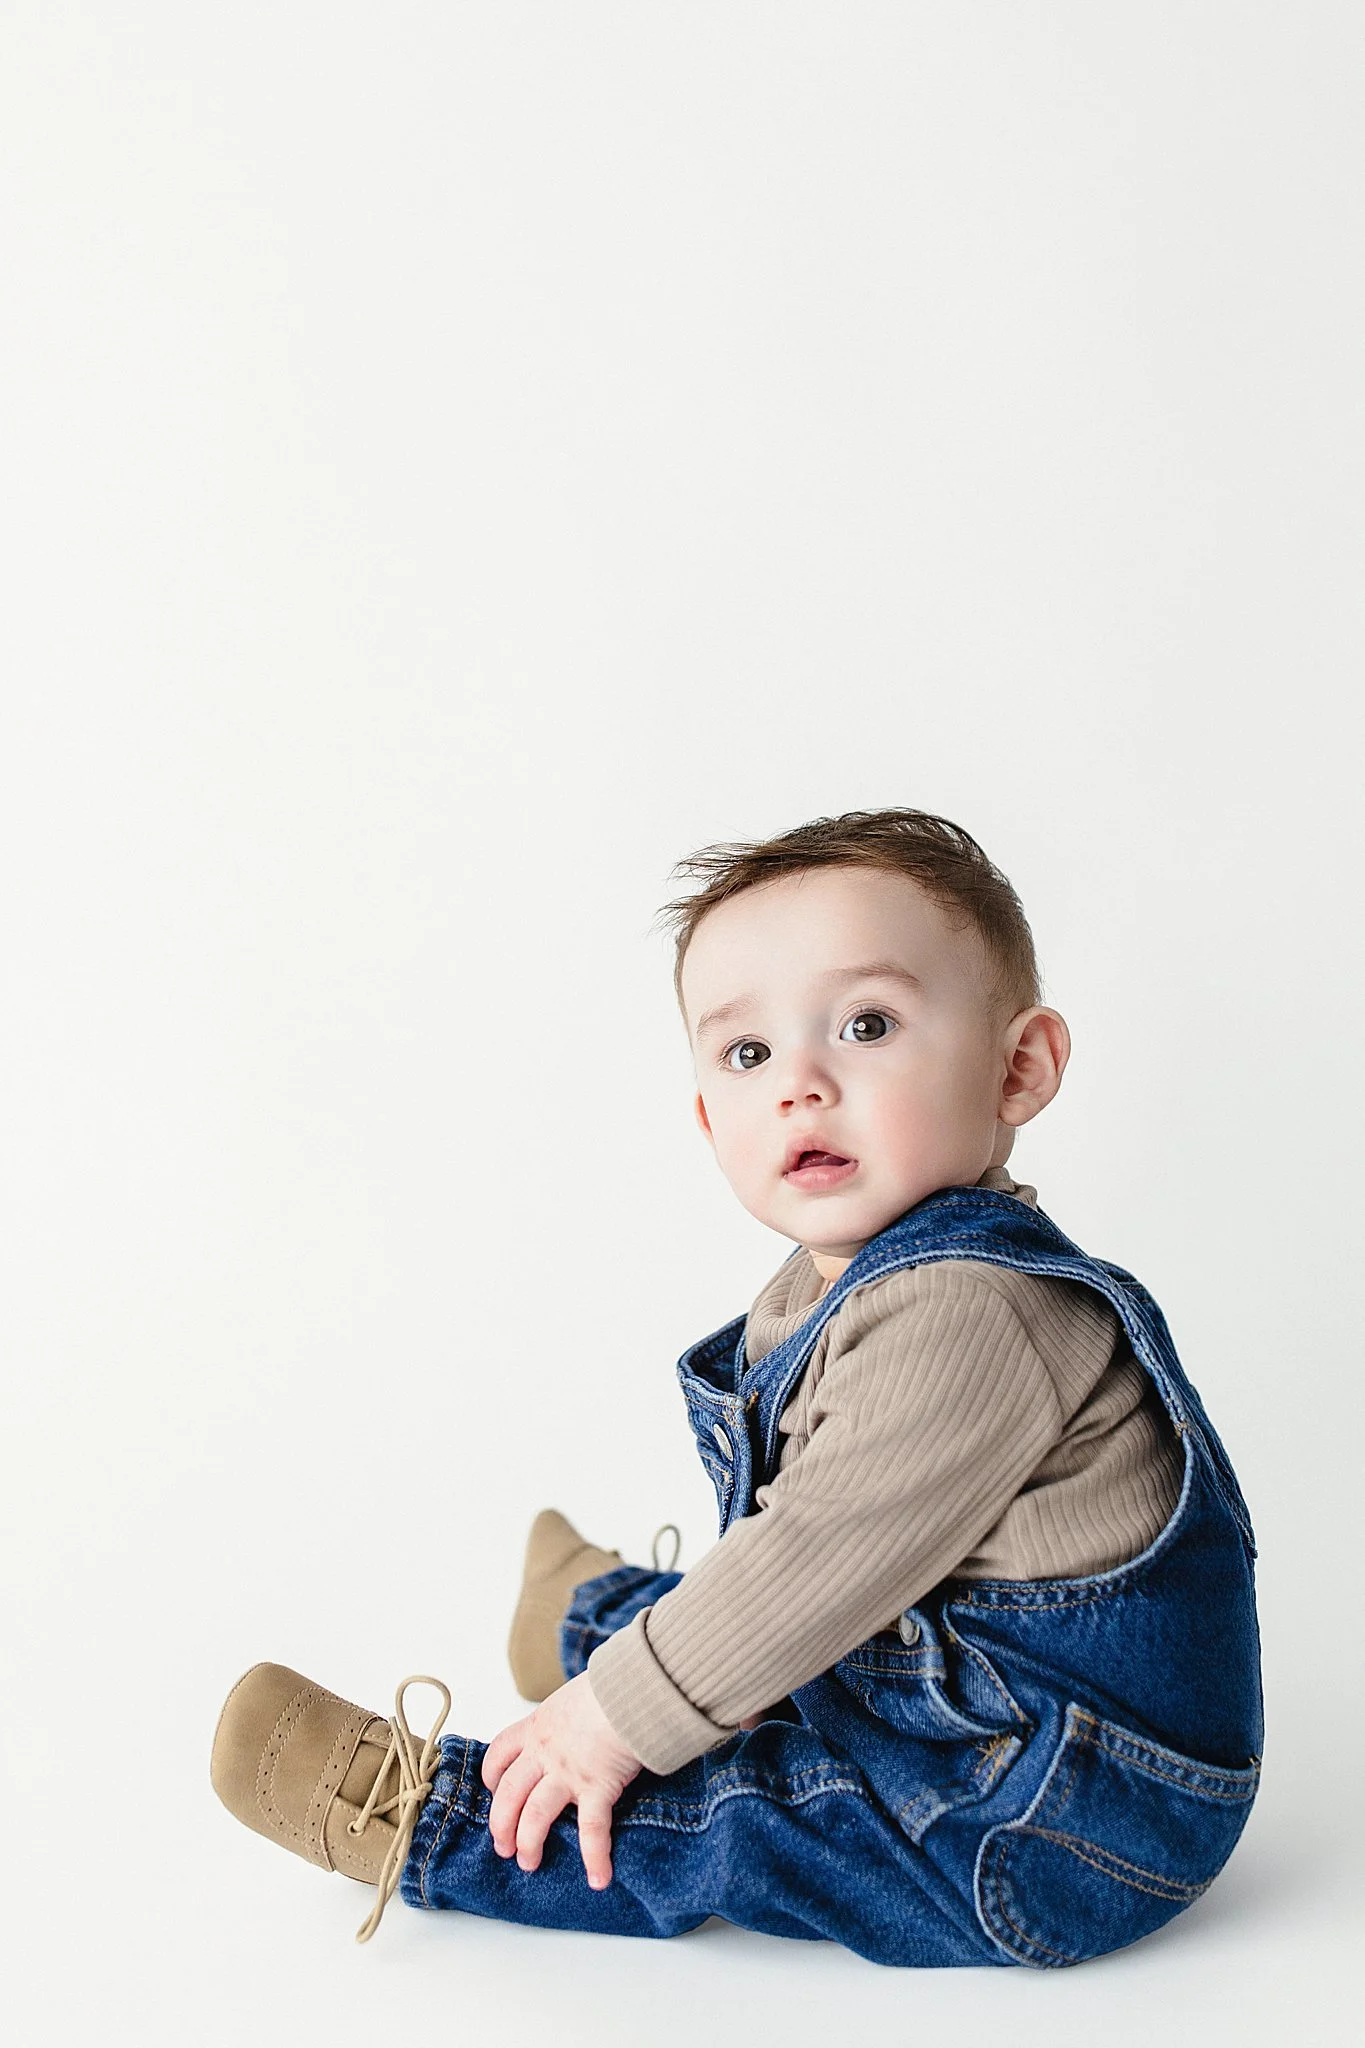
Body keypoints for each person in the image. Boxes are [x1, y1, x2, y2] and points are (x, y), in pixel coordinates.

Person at [210, 807, 1263, 1968]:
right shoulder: (845, 1278)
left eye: (868, 1024)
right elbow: (804, 1581)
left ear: (1018, 1066)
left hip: (1060, 1814)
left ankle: (432, 1816)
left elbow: (811, 1557)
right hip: (966, 1709)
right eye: (747, 1053)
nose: (801, 1084)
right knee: (747, 1647)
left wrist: (607, 1721)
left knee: (747, 1815)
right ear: (711, 1117)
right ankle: (585, 1611)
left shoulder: (976, 1308)